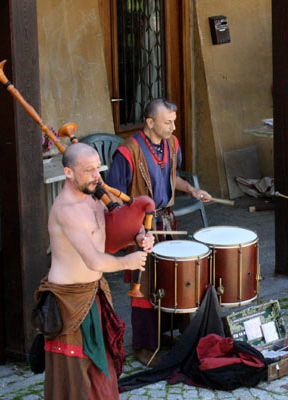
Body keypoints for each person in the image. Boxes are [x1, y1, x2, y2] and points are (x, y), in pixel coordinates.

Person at [36, 143, 154, 399]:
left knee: (102, 375)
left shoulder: (94, 200)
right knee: (78, 379)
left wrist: (141, 237)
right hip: (69, 303)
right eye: (88, 170)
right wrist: (128, 262)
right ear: (68, 173)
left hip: (94, 295)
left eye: (97, 168)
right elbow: (94, 260)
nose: (96, 176)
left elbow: (111, 237)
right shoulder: (67, 211)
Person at [106, 98, 211, 365]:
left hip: (166, 222)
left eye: (174, 120)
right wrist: (135, 228)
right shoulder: (127, 152)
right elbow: (112, 198)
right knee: (143, 285)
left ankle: (166, 335)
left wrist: (192, 190)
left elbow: (171, 177)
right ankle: (143, 346)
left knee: (170, 278)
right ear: (150, 122)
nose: (174, 127)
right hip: (140, 227)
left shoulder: (172, 145)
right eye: (168, 122)